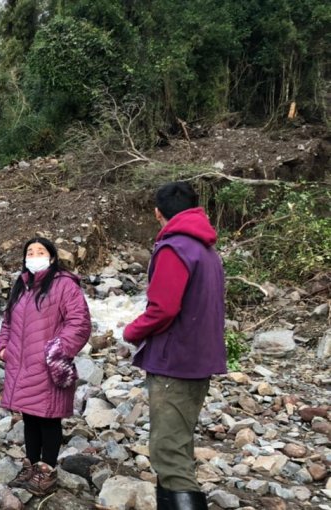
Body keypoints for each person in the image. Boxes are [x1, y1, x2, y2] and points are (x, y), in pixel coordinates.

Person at [123, 182, 226, 510]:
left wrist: (132, 331)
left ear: (158, 212)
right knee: (179, 446)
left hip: (175, 363)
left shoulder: (175, 247)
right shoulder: (207, 250)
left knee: (168, 453)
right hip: (198, 360)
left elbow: (163, 308)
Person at [0, 237, 92, 495]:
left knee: (48, 417)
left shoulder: (64, 285)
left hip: (49, 365)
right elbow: (7, 321)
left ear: (51, 257)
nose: (34, 255)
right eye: (30, 251)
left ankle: (46, 470)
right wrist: (3, 347)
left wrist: (57, 350)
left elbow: (79, 323)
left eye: (40, 251)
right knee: (29, 416)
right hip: (21, 363)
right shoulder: (22, 285)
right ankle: (31, 465)